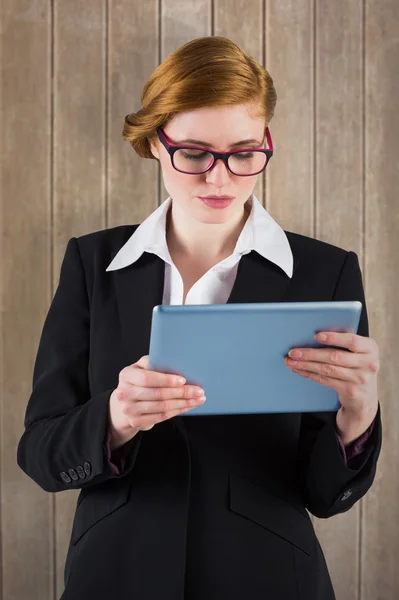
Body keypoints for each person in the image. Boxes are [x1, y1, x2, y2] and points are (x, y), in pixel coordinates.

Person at [16, 36, 382, 600]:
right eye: (193, 153)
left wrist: (356, 419)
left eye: (243, 153)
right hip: (115, 574)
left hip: (268, 578)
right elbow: (41, 455)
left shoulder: (326, 272)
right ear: (155, 144)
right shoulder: (92, 265)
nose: (220, 179)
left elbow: (325, 495)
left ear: (266, 143)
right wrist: (114, 420)